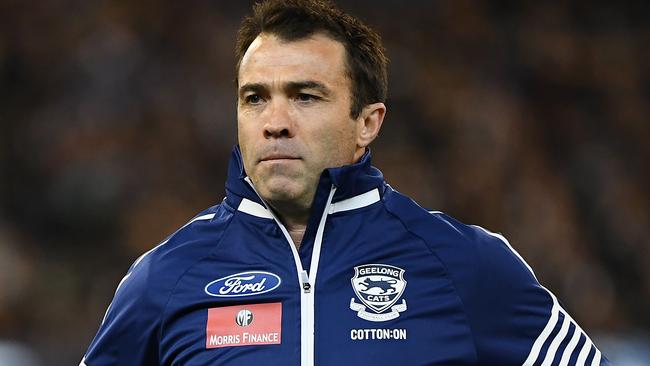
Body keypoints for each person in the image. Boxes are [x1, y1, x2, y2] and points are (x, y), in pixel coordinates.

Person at [80, 0, 610, 365]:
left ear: (367, 122)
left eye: (305, 96)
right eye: (254, 97)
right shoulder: (166, 278)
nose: (275, 120)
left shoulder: (464, 265)